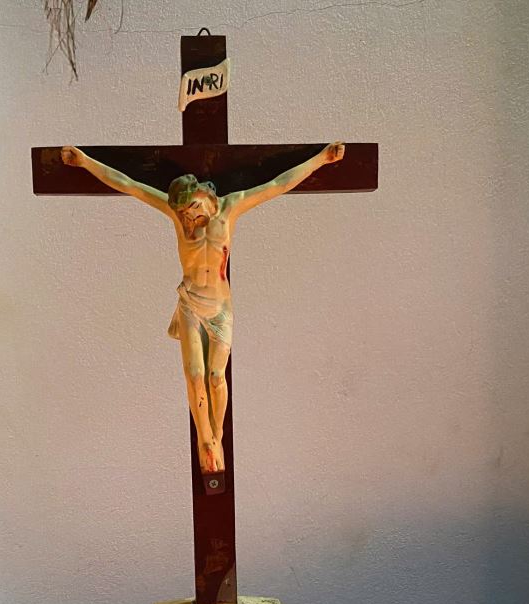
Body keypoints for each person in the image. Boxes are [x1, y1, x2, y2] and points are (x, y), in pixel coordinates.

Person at [61, 142, 346, 473]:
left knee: (215, 376)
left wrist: (322, 159)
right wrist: (85, 162)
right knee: (195, 375)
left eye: (194, 210)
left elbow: (277, 185)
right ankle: (205, 438)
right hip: (190, 305)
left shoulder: (231, 208)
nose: (190, 219)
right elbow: (130, 185)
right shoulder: (177, 215)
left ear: (206, 197)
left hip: (220, 308)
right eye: (184, 214)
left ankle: (218, 434)